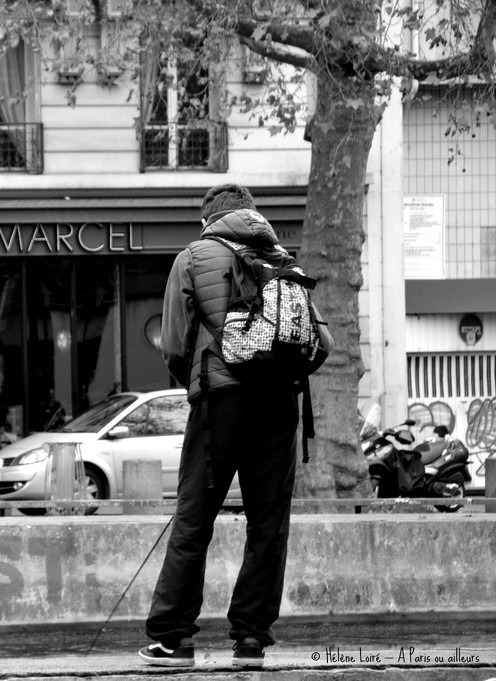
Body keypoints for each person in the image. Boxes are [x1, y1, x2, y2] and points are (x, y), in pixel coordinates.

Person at [139, 184, 302, 670]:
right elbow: (322, 341)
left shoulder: (192, 257)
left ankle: (172, 639)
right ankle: (250, 639)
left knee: (194, 518)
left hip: (220, 400)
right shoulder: (282, 258)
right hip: (279, 403)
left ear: (208, 218)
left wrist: (198, 379)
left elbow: (172, 344)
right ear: (251, 214)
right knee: (268, 526)